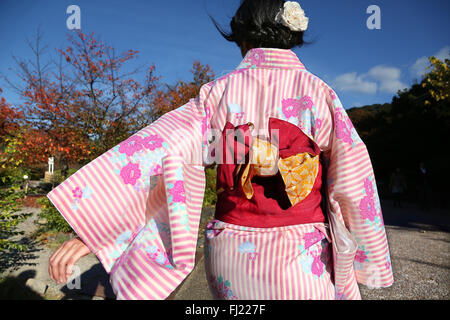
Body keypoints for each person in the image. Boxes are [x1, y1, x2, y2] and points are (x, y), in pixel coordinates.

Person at [47, 0, 393, 300]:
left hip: (232, 255)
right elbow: (352, 178)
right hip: (300, 253)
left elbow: (160, 150)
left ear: (242, 37)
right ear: (292, 36)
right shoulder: (319, 93)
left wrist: (98, 230)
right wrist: (367, 257)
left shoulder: (215, 94)